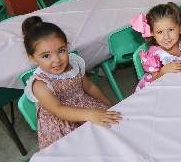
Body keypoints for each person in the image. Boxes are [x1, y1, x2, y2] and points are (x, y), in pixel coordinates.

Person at [22, 16, 121, 149]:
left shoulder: (73, 65)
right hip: (63, 125)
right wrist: (89, 114)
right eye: (46, 56)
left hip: (86, 108)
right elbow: (58, 110)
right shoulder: (40, 84)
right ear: (33, 58)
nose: (57, 60)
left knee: (110, 138)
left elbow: (89, 86)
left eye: (61, 51)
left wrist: (107, 104)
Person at [130, 2, 181, 92]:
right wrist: (164, 71)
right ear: (152, 33)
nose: (166, 37)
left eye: (171, 30)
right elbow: (155, 80)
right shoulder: (154, 54)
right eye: (160, 32)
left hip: (180, 82)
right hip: (158, 88)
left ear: (180, 28)